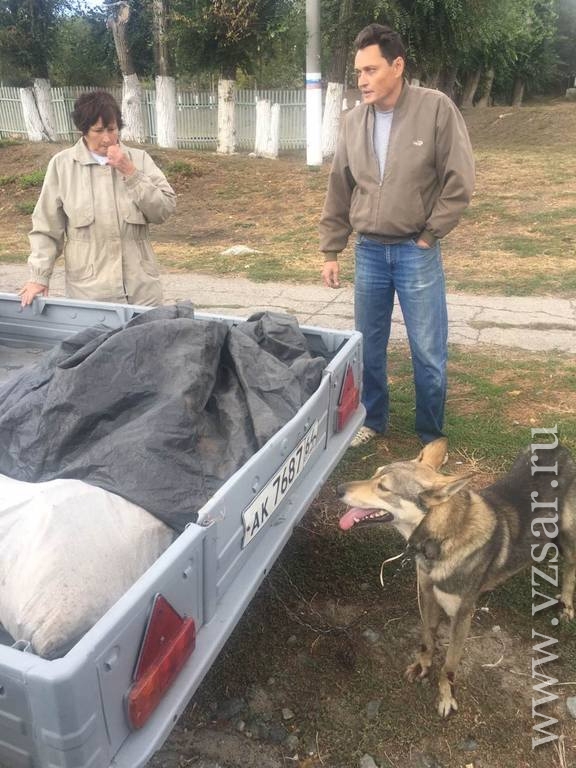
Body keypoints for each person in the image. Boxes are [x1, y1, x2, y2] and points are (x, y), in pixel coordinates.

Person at [319, 23, 475, 448]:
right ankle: (373, 419)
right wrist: (331, 249)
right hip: (369, 251)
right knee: (368, 346)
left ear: (398, 66)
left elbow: (459, 179)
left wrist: (430, 234)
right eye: (358, 72)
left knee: (428, 350)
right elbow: (339, 186)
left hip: (415, 251)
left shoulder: (436, 109)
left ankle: (430, 433)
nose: (362, 80)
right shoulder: (353, 121)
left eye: (371, 70)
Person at [19, 90, 176, 307]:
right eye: (98, 130)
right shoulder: (63, 165)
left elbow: (164, 209)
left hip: (141, 292)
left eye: (112, 129)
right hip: (89, 293)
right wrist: (39, 276)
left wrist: (131, 173)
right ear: (83, 130)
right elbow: (47, 227)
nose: (107, 138)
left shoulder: (139, 160)